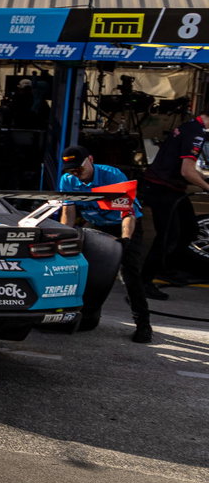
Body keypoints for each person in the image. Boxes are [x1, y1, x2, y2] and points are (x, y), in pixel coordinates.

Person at [60, 145, 150, 343]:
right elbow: (68, 212)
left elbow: (127, 212)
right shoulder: (67, 180)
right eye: (72, 170)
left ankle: (143, 324)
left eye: (79, 168)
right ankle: (88, 318)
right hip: (97, 223)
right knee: (89, 271)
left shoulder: (112, 176)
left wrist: (125, 239)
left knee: (129, 274)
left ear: (90, 160)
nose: (76, 173)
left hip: (124, 224)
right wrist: (64, 237)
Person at [138, 108, 209, 296]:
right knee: (167, 235)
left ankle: (168, 268)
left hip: (172, 188)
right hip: (161, 188)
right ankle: (144, 281)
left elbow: (185, 166)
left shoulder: (190, 126)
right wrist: (206, 186)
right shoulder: (197, 133)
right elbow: (187, 171)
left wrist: (202, 178)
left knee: (189, 229)